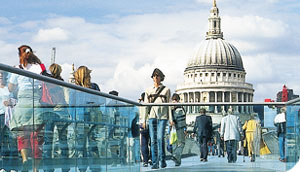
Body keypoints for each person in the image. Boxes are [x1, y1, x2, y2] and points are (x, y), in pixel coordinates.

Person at [8, 45, 47, 172]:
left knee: (22, 134)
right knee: (36, 137)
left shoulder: (17, 68)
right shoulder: (39, 67)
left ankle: (25, 159)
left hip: (23, 103)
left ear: (20, 55)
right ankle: (35, 169)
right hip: (36, 103)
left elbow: (11, 87)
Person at [69, 66, 101, 172]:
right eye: (88, 74)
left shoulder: (74, 89)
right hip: (88, 120)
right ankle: (93, 168)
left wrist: (73, 121)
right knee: (90, 145)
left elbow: (71, 108)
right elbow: (98, 103)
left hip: (81, 120)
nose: (90, 76)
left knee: (82, 146)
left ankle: (85, 169)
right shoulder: (93, 87)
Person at [43, 63, 70, 172]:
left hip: (49, 111)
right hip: (62, 112)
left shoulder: (46, 82)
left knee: (48, 139)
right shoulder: (62, 83)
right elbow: (67, 100)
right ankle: (65, 166)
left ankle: (47, 167)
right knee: (63, 140)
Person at [143, 68, 172, 169]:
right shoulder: (148, 90)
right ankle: (155, 162)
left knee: (160, 138)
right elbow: (146, 106)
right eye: (154, 76)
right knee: (153, 140)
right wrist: (143, 120)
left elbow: (169, 105)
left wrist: (171, 119)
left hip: (163, 117)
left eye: (157, 75)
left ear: (161, 77)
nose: (155, 77)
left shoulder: (166, 90)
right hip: (152, 117)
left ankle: (162, 160)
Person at [170, 93, 186, 166]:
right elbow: (183, 117)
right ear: (178, 99)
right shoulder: (180, 106)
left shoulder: (169, 105)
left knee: (174, 143)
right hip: (180, 126)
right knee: (181, 143)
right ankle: (176, 155)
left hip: (171, 127)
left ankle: (178, 161)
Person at [138, 92, 151, 167]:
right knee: (151, 142)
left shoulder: (140, 105)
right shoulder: (149, 105)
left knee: (143, 143)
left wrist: (139, 101)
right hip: (149, 123)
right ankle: (151, 158)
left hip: (142, 124)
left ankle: (145, 160)